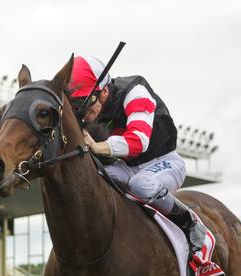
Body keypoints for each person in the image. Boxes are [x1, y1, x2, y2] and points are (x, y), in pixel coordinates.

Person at [68, 55, 207, 253]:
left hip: (164, 161)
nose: (84, 113)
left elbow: (137, 142)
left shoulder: (135, 92)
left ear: (104, 91)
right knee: (94, 176)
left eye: (85, 103)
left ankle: (189, 221)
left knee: (140, 185)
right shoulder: (93, 108)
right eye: (76, 105)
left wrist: (98, 147)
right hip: (128, 166)